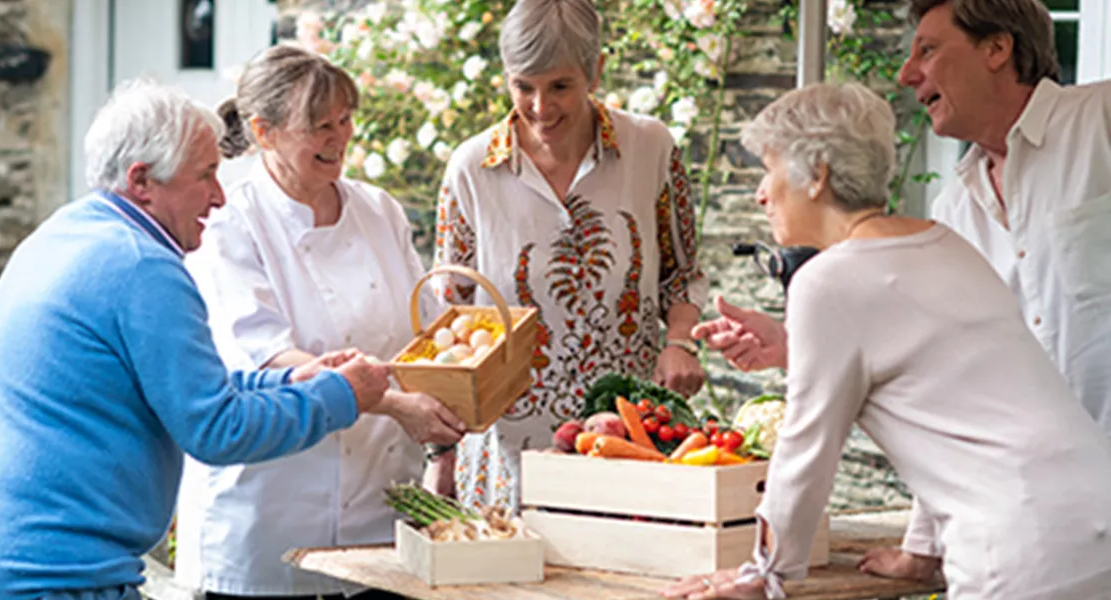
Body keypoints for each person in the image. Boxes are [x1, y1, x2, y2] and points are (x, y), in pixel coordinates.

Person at [698, 0, 1111, 583]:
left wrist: (762, 576)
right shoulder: (945, 232)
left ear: (817, 174)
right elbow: (953, 401)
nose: (762, 194)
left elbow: (805, 452)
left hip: (1021, 545)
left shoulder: (1101, 117)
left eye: (769, 171)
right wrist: (924, 552)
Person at [0, 78, 392, 600]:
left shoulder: (65, 232)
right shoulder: (143, 267)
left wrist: (289, 379)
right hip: (54, 576)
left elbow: (173, 386)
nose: (220, 197)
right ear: (142, 181)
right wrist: (343, 396)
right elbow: (217, 430)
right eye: (206, 175)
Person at [175, 43, 467, 600]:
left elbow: (425, 341)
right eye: (319, 126)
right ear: (264, 132)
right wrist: (397, 406)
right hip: (270, 521)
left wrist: (446, 443)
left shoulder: (379, 210)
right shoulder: (231, 226)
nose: (339, 138)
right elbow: (270, 359)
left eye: (345, 119)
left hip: (382, 519)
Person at [430, 0, 709, 509]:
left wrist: (680, 342)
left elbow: (682, 273)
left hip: (629, 434)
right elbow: (450, 316)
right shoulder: (471, 168)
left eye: (560, 86)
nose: (540, 108)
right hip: (509, 446)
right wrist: (441, 454)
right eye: (523, 86)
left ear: (596, 71)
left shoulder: (651, 148)